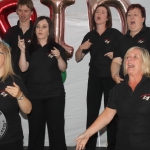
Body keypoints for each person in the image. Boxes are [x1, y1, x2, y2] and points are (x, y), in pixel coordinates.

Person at [76, 46, 150, 150]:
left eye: (135, 57)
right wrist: (87, 134)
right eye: (127, 57)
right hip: (123, 143)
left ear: (145, 62)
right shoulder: (118, 89)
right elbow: (107, 115)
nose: (129, 59)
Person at [75, 4, 122, 150]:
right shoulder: (90, 36)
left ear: (107, 17)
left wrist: (116, 54)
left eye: (102, 12)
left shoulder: (115, 34)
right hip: (94, 77)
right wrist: (80, 48)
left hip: (111, 78)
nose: (99, 14)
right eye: (97, 12)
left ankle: (113, 146)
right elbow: (77, 58)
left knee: (112, 112)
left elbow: (125, 53)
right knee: (92, 112)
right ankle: (89, 146)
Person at [18, 16, 67, 150]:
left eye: (44, 27)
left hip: (55, 94)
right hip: (34, 95)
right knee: (35, 132)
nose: (40, 29)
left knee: (56, 131)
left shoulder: (56, 47)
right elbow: (23, 68)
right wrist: (22, 51)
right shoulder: (29, 47)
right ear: (35, 29)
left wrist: (59, 57)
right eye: (38, 26)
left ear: (49, 30)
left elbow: (63, 68)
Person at [0, 41, 32, 150]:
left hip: (11, 141)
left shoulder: (14, 80)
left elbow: (28, 110)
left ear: (6, 57)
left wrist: (19, 95)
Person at [111, 3, 150, 84]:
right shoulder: (121, 40)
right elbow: (116, 61)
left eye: (135, 14)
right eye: (129, 15)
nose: (132, 17)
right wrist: (114, 75)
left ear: (143, 19)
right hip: (126, 84)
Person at [3, 0, 34, 84]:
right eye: (20, 10)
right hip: (13, 77)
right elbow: (4, 53)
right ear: (16, 11)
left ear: (31, 12)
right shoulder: (11, 31)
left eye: (26, 11)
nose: (23, 14)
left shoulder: (37, 32)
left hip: (33, 78)